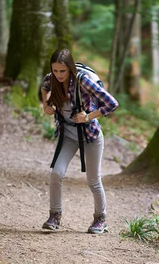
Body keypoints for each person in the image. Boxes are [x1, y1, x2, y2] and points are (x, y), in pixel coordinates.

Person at [41, 49, 119, 234]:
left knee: (93, 180)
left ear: (70, 69)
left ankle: (101, 219)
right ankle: (55, 215)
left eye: (63, 71)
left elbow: (111, 103)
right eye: (55, 71)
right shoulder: (52, 78)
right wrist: (46, 104)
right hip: (68, 135)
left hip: (90, 137)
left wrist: (89, 116)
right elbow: (45, 87)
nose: (59, 75)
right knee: (56, 173)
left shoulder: (82, 81)